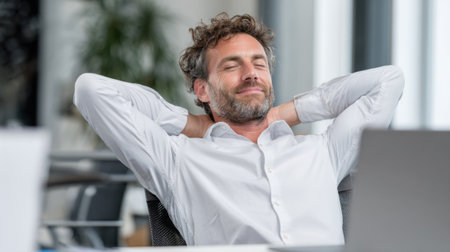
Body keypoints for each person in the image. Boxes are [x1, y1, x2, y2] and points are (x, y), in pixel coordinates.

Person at [74, 13, 404, 246]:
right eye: (232, 66)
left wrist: (285, 114)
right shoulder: (178, 161)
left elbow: (388, 81)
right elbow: (91, 90)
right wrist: (191, 123)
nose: (251, 73)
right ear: (202, 90)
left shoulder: (322, 151)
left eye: (259, 64)